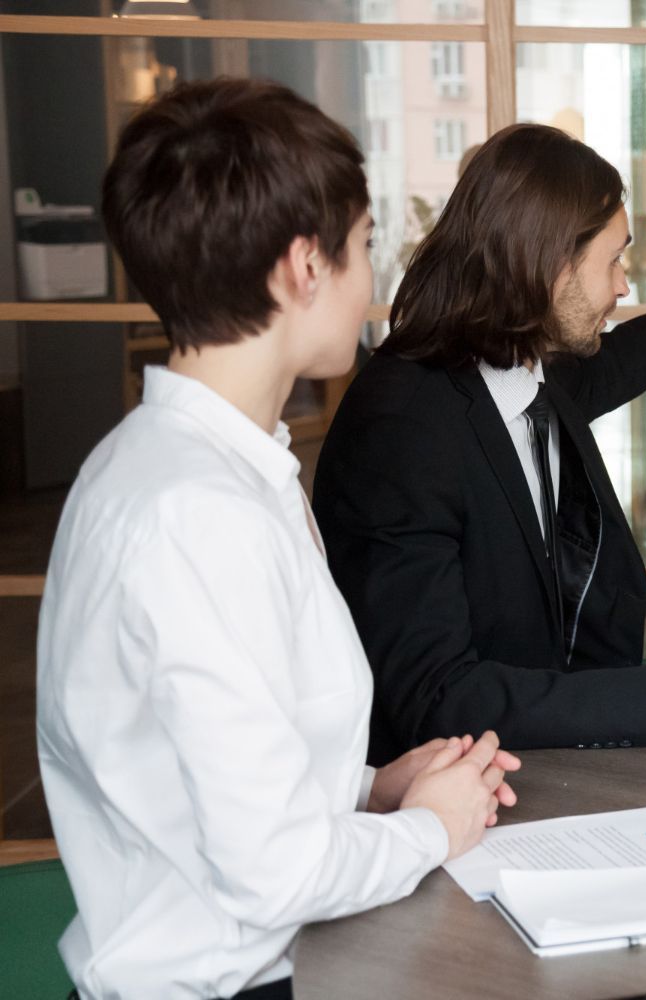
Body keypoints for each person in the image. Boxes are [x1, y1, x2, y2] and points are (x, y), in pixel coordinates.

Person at [36, 79, 520, 1000]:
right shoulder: (196, 512)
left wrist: (375, 787)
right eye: (367, 246)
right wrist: (432, 827)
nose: (376, 282)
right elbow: (272, 872)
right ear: (305, 266)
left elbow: (213, 773)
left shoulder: (199, 462)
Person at [312, 123, 646, 764]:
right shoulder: (402, 427)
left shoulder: (523, 371)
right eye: (614, 260)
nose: (624, 286)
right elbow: (433, 695)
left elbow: (618, 362)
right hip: (455, 791)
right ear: (549, 266)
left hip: (561, 759)